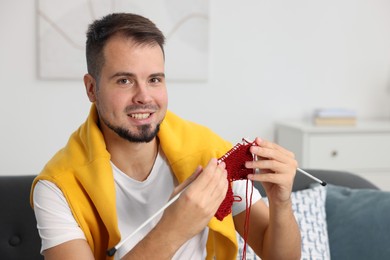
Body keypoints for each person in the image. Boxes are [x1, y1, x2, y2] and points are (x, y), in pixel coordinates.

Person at [30, 12, 301, 260]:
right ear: (91, 89)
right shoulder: (57, 187)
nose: (144, 97)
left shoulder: (211, 153)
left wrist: (281, 203)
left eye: (154, 80)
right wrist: (175, 228)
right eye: (124, 80)